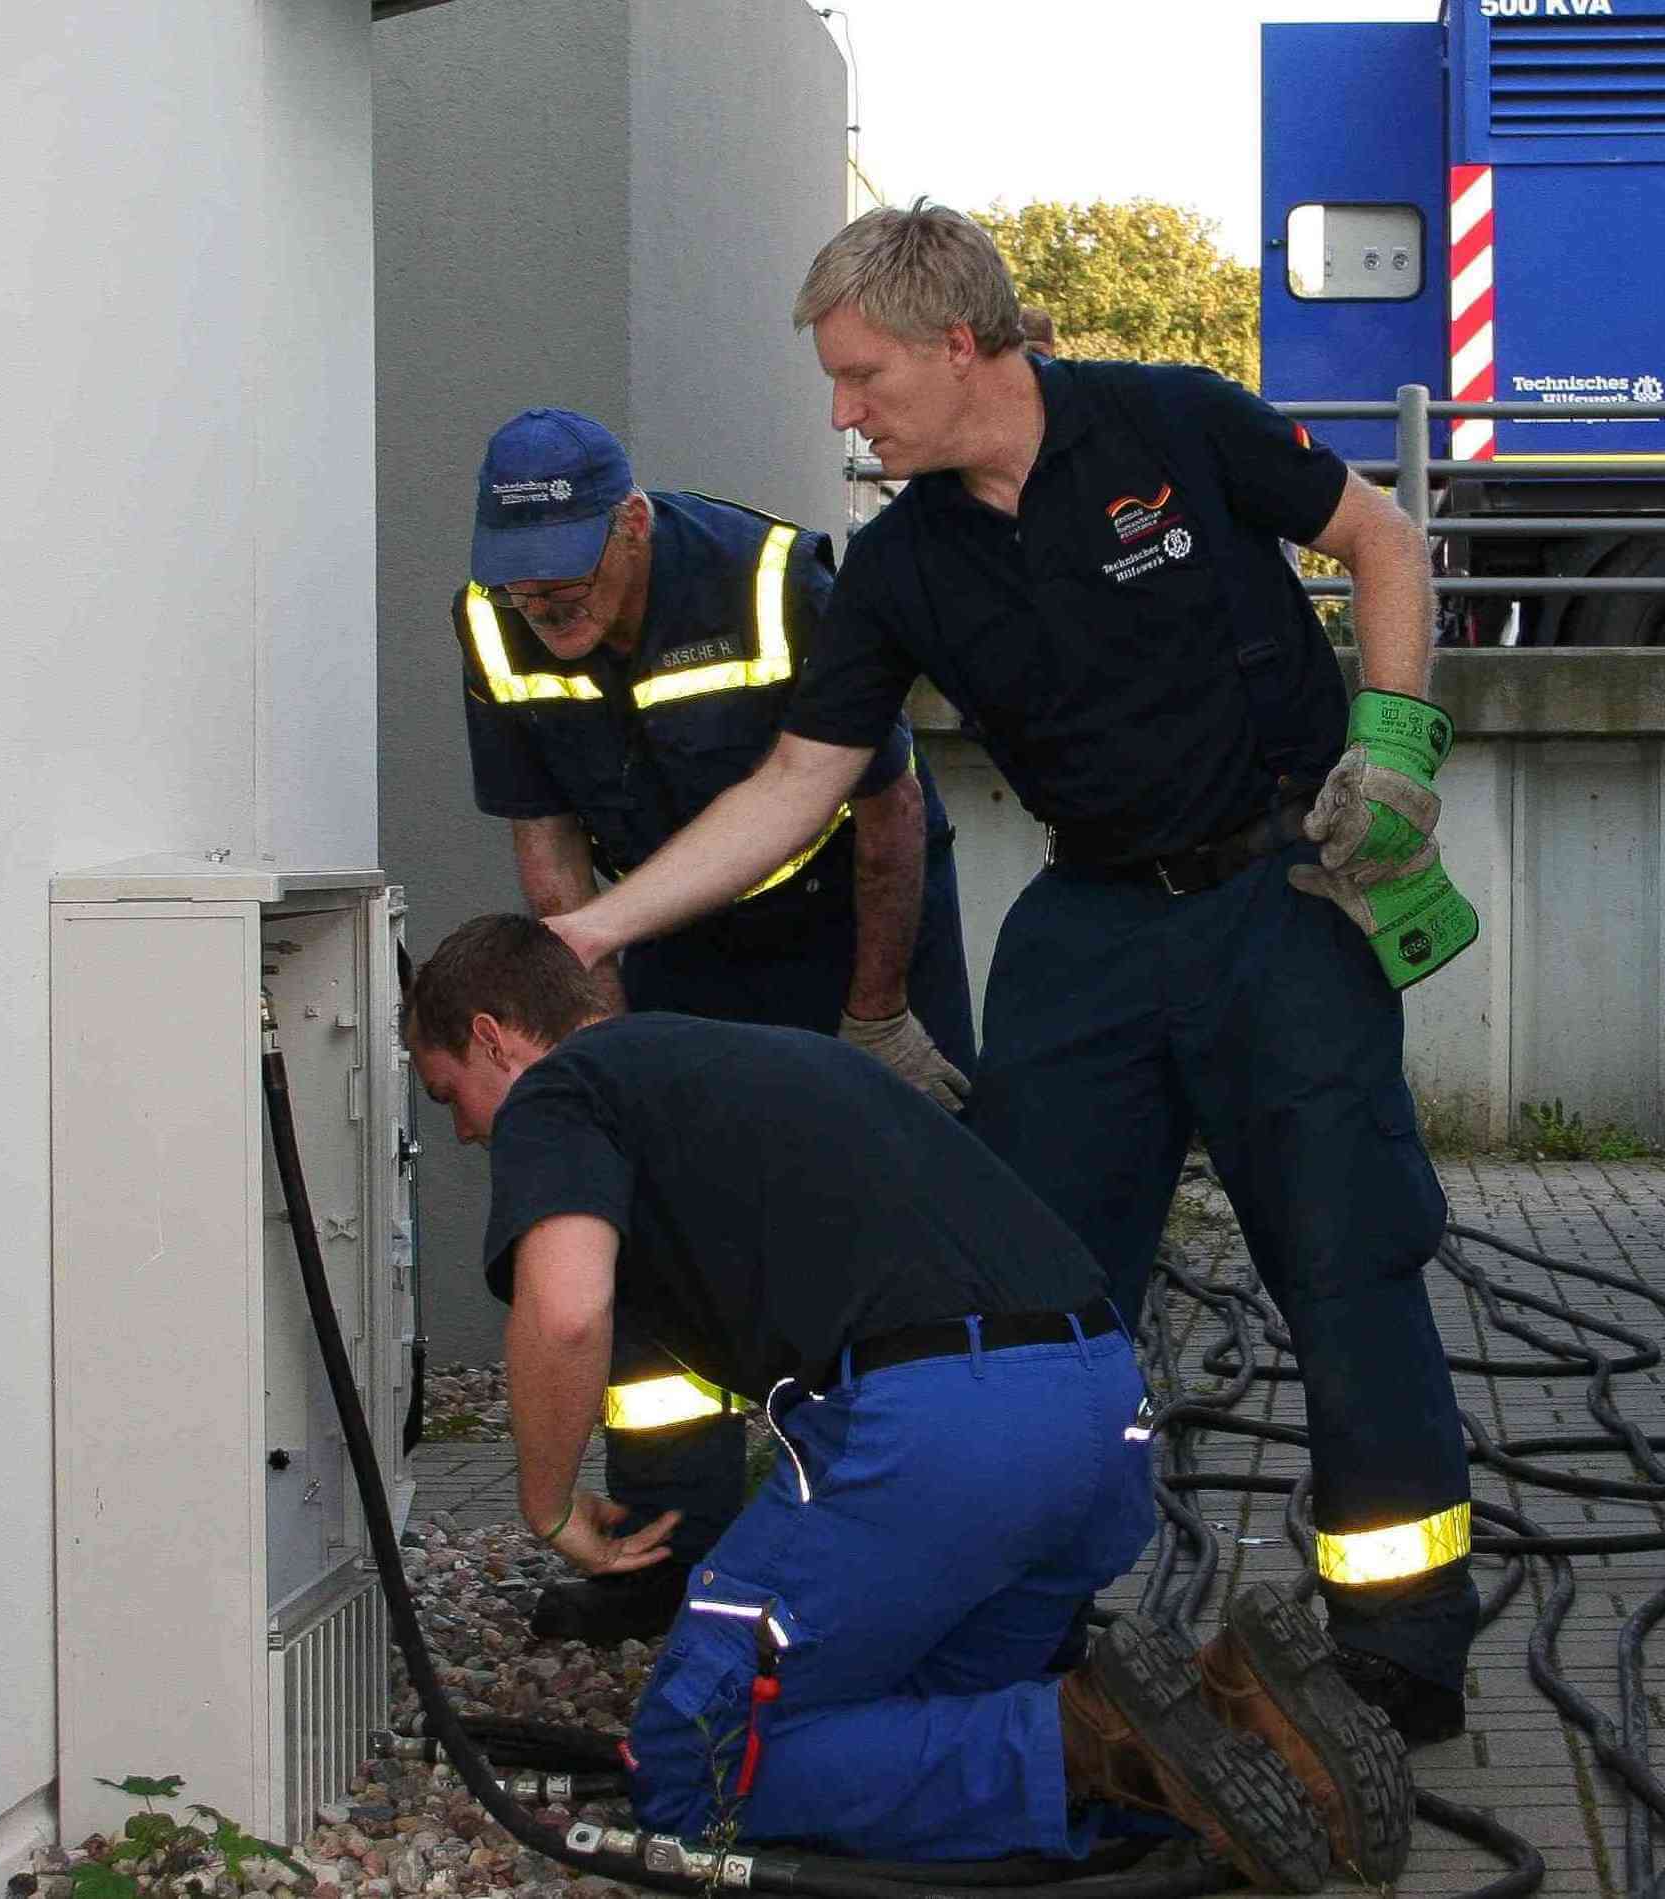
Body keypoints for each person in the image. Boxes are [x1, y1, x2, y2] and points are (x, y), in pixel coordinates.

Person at [541, 203, 1483, 1746]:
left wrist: (1392, 741)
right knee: (1024, 1299)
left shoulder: (1171, 416)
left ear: (957, 343)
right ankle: (1026, 1622)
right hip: (1091, 932)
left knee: (1348, 1262)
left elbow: (1380, 538)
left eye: (861, 376)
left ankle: (1401, 1645)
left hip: (1279, 900)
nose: (842, 411)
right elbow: (795, 784)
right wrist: (601, 924)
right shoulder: (901, 566)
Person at [403, 915, 1411, 1887]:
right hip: (1098, 1408)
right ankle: (1238, 1729)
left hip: (939, 1433)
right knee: (908, 1708)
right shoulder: (760, 1059)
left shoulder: (561, 1089)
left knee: (695, 1764)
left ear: (495, 1038)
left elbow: (567, 1313)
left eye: (450, 1094)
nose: (459, 1132)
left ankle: (1092, 1742)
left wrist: (546, 1507)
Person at [454, 407, 978, 1646]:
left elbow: (890, 814)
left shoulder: (771, 580)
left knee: (881, 1214)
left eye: (569, 575)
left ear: (631, 524)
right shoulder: (494, 619)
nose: (544, 605)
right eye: (521, 582)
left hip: (847, 915)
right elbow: (550, 854)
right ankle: (663, 1558)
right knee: (644, 1238)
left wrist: (878, 1018)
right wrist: (607, 1057)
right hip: (664, 928)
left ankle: (896, 1557)